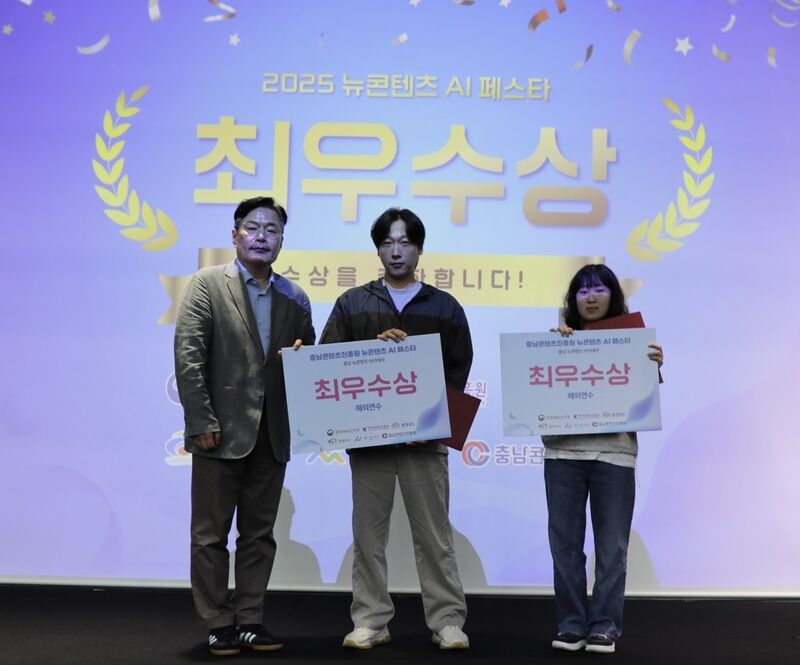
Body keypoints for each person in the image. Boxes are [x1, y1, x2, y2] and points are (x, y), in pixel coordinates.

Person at [320, 207, 472, 651]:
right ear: (378, 250)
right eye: (387, 243)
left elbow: (459, 370)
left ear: (420, 248)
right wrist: (372, 350)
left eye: (405, 242)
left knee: (434, 535)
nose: (396, 251)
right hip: (369, 441)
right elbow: (329, 360)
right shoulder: (353, 303)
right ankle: (370, 619)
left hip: (425, 441)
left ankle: (447, 621)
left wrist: (436, 423)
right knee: (368, 536)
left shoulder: (444, 306)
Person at [174, 196, 315, 656]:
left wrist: (303, 359)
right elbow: (189, 357)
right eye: (252, 228)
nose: (261, 236)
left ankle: (250, 618)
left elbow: (308, 361)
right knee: (210, 536)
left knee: (259, 536)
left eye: (272, 230)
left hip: (272, 433)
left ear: (282, 241)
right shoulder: (207, 284)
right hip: (218, 432)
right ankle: (218, 621)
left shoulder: (295, 297)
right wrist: (200, 420)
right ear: (234, 235)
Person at [545, 264, 664, 655]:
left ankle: (605, 626)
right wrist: (551, 351)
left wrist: (652, 366)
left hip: (614, 455)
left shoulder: (633, 343)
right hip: (563, 453)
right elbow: (536, 392)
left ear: (613, 295)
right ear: (573, 300)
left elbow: (642, 398)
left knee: (612, 549)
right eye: (582, 291)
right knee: (565, 547)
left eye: (599, 289)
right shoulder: (555, 341)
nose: (591, 297)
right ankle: (571, 625)